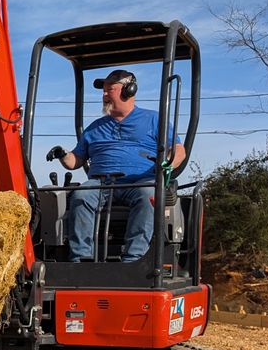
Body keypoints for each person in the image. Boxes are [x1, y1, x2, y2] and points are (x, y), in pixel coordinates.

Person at [46, 69, 185, 262]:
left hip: (140, 182)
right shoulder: (95, 127)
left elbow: (178, 150)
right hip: (101, 184)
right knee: (81, 195)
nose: (104, 95)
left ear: (129, 90)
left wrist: (167, 162)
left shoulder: (153, 119)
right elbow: (75, 161)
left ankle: (133, 259)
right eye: (103, 91)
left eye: (108, 90)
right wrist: (62, 154)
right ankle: (81, 260)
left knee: (149, 195)